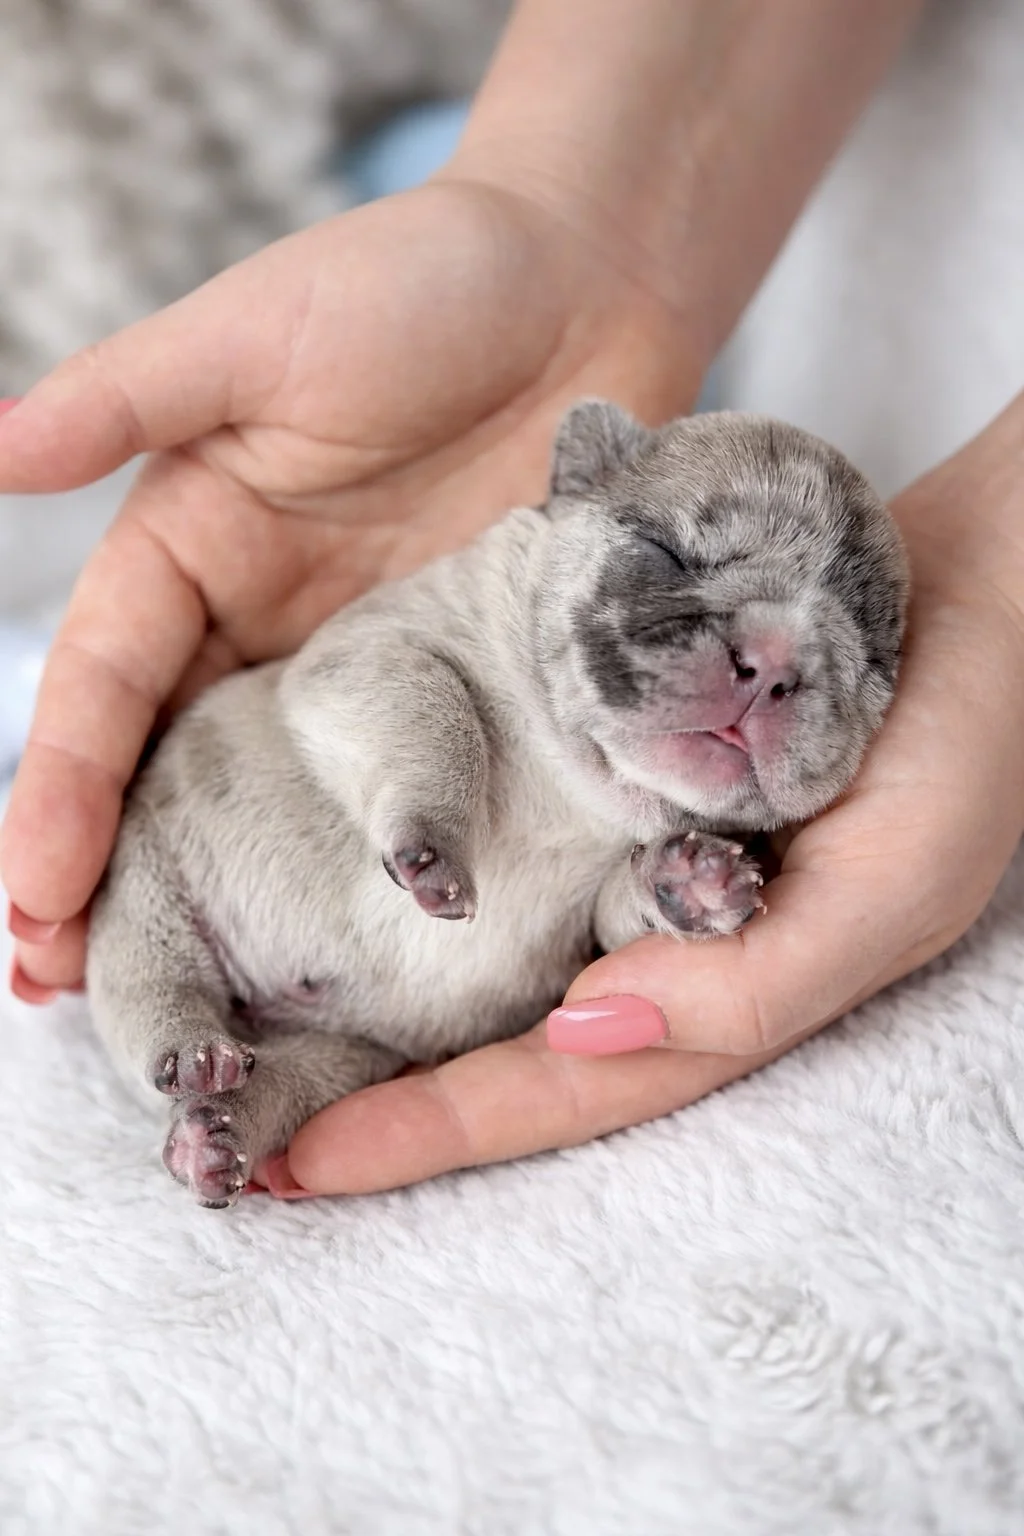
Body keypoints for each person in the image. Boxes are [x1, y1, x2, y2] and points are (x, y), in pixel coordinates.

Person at [2, 0, 1022, 1198]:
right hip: (213, 869)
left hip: (378, 1025)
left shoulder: (674, 810)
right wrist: (424, 802)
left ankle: (239, 1109)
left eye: (842, 667)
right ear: (576, 489)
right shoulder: (479, 610)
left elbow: (602, 931)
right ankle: (178, 1048)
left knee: (343, 1073)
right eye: (675, 567)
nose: (765, 664)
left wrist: (666, 897)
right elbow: (352, 683)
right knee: (145, 935)